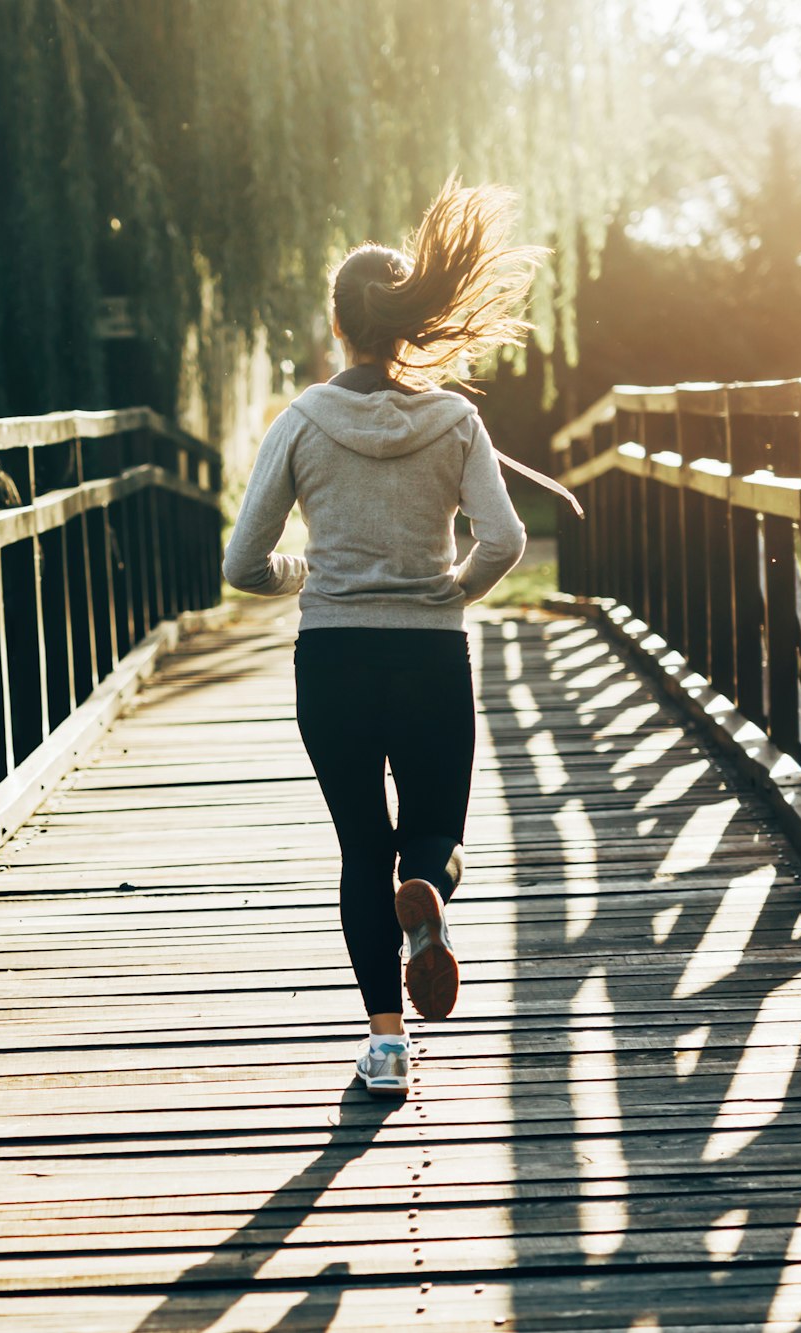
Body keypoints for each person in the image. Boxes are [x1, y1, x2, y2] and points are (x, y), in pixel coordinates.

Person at [221, 177, 553, 1099]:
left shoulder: (299, 423)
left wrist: (305, 577)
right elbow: (507, 540)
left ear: (337, 328)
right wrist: (450, 590)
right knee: (436, 827)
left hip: (332, 659)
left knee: (359, 847)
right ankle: (430, 886)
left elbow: (244, 563)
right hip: (430, 656)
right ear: (410, 324)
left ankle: (387, 1043)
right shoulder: (456, 419)